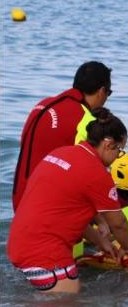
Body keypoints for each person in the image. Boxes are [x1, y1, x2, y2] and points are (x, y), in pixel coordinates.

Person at [7, 108, 128, 294]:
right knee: (70, 300)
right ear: (108, 144)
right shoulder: (96, 173)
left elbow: (65, 212)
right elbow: (119, 224)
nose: (117, 157)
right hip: (45, 255)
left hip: (18, 244)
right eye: (119, 150)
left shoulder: (61, 153)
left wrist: (100, 241)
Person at [12, 61, 113, 212]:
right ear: (101, 91)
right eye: (109, 93)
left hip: (19, 198)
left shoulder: (42, 105)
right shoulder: (86, 119)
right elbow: (91, 173)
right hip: (46, 207)